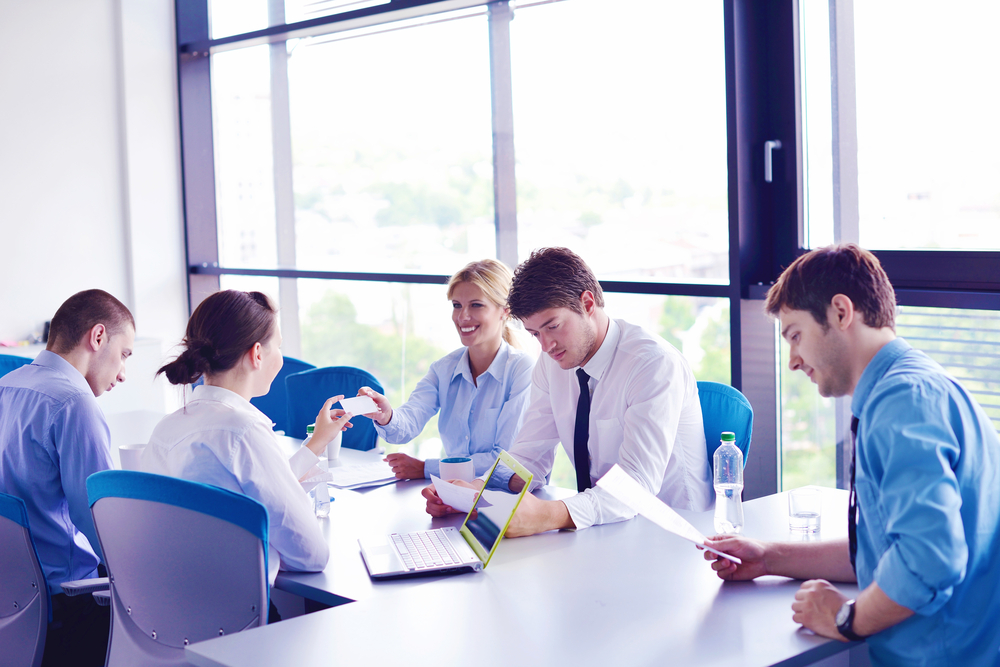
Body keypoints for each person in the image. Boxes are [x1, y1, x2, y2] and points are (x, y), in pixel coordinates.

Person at [703, 244, 1000, 666]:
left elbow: (928, 563)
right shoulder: (912, 387)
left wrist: (845, 618)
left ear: (842, 312)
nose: (792, 361)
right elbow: (886, 547)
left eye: (795, 335)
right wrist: (769, 556)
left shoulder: (901, 404)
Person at [424, 247, 712, 537]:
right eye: (535, 334)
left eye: (553, 326)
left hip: (673, 534)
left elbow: (636, 485)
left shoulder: (652, 365)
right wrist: (476, 491)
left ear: (587, 303)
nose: (546, 346)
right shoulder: (551, 365)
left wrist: (547, 515)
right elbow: (529, 457)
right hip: (602, 529)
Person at [141, 290, 349, 619]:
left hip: (168, 620)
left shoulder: (167, 429)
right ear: (256, 354)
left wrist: (316, 444)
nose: (279, 355)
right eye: (277, 346)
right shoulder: (243, 431)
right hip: (236, 623)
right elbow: (311, 555)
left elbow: (241, 486)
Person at [0, 289, 135, 667]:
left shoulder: (7, 385)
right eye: (124, 355)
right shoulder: (74, 403)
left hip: (12, 592)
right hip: (68, 601)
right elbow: (100, 521)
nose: (123, 374)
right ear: (97, 337)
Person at [357, 259, 534, 480]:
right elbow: (408, 422)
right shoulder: (444, 369)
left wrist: (426, 469)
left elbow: (505, 460)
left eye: (476, 305)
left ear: (505, 311)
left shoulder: (522, 370)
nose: (462, 317)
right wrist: (386, 416)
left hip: (507, 499)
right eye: (457, 305)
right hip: (455, 492)